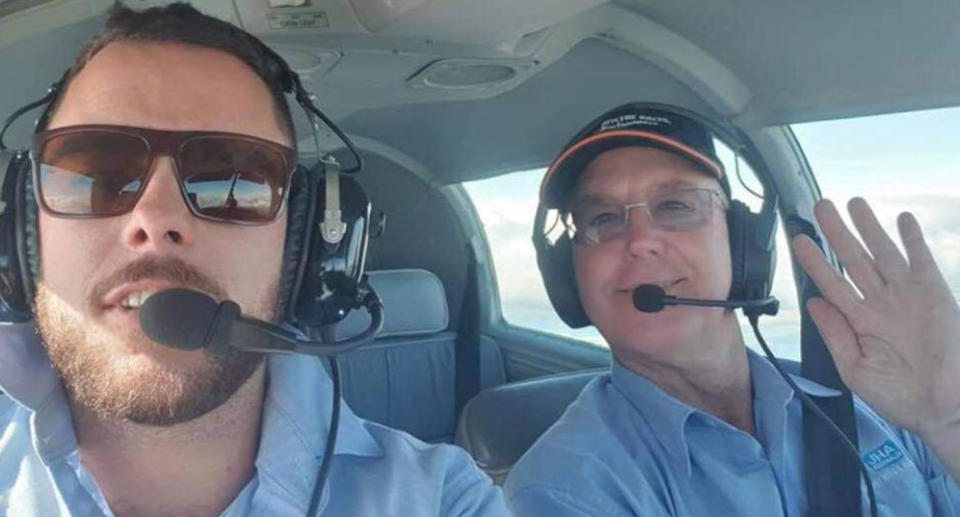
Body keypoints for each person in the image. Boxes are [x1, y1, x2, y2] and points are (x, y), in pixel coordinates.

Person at [0, 4, 508, 516]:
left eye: (233, 185)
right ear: (24, 230)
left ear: (306, 247)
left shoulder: (440, 499)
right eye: (96, 176)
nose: (154, 218)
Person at [503, 102, 960, 516]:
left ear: (744, 245)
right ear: (568, 273)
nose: (640, 241)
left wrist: (947, 421)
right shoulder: (567, 490)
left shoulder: (881, 397)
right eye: (602, 219)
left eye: (676, 205)